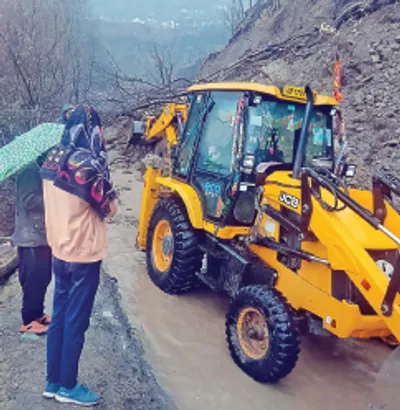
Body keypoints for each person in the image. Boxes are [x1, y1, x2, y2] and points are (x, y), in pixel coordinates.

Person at [40, 104, 118, 406]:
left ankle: (52, 381)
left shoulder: (51, 159)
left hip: (58, 250)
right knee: (76, 320)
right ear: (92, 129)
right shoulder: (88, 167)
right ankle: (68, 386)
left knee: (59, 315)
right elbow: (109, 209)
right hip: (83, 255)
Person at [13, 155, 52, 335]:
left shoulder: (39, 168)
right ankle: (28, 321)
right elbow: (28, 201)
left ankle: (37, 314)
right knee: (33, 279)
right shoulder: (30, 170)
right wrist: (52, 196)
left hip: (40, 235)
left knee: (42, 277)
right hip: (30, 236)